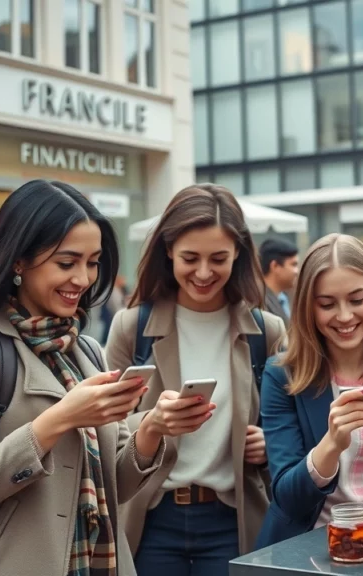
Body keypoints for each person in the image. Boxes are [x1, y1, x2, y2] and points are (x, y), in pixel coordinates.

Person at [0, 180, 191, 575]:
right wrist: (60, 419)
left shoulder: (86, 351)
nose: (83, 279)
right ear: (19, 261)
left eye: (93, 262)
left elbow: (116, 483)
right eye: (67, 263)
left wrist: (152, 428)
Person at [105, 184, 287, 574]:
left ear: (238, 253)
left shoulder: (268, 332)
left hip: (233, 520)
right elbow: (105, 432)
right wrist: (151, 423)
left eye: (218, 258)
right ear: (168, 250)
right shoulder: (130, 328)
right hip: (149, 520)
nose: (204, 273)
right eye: (190, 258)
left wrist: (269, 444)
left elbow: (290, 430)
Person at [256, 233, 363, 548]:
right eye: (327, 304)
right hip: (309, 549)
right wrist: (331, 445)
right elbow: (287, 499)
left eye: (356, 300)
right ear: (308, 307)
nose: (344, 316)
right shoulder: (282, 376)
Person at [259, 238, 299, 327]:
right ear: (275, 266)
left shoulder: (286, 298)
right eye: (293, 264)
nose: (297, 271)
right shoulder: (259, 302)